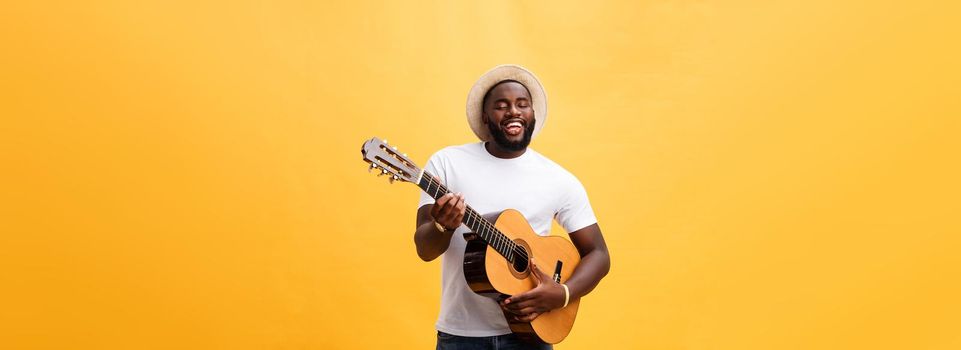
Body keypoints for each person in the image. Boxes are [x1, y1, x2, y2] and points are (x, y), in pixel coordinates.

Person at [414, 65, 611, 350]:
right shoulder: (447, 164)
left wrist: (563, 294)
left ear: (532, 113)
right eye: (501, 105)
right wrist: (443, 225)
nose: (513, 112)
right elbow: (425, 249)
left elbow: (599, 254)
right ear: (485, 116)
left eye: (522, 104)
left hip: (532, 334)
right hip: (460, 336)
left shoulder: (558, 179)